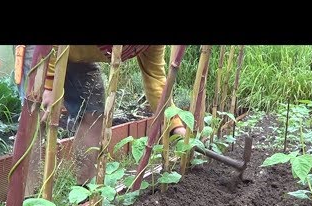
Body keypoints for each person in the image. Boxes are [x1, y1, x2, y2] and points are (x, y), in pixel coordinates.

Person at [15, 45, 186, 189]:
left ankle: (83, 192)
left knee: (93, 111)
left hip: (76, 52)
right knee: (36, 114)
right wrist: (49, 85)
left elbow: (156, 79)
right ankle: (25, 204)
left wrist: (175, 126)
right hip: (43, 47)